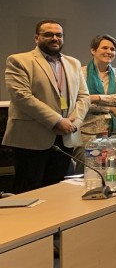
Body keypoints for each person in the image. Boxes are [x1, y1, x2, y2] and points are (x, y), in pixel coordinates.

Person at [3, 20, 89, 193]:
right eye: (48, 34)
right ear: (37, 38)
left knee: (56, 191)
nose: (55, 38)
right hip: (31, 139)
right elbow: (22, 97)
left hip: (65, 137)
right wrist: (57, 120)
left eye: (59, 35)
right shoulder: (19, 61)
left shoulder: (74, 63)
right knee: (29, 191)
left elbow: (84, 96)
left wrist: (75, 120)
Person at [78, 35, 116, 164]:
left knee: (114, 169)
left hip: (115, 132)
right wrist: (111, 108)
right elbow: (81, 102)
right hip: (89, 132)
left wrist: (96, 97)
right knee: (91, 170)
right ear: (93, 51)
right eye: (104, 48)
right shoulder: (80, 73)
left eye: (112, 49)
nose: (109, 52)